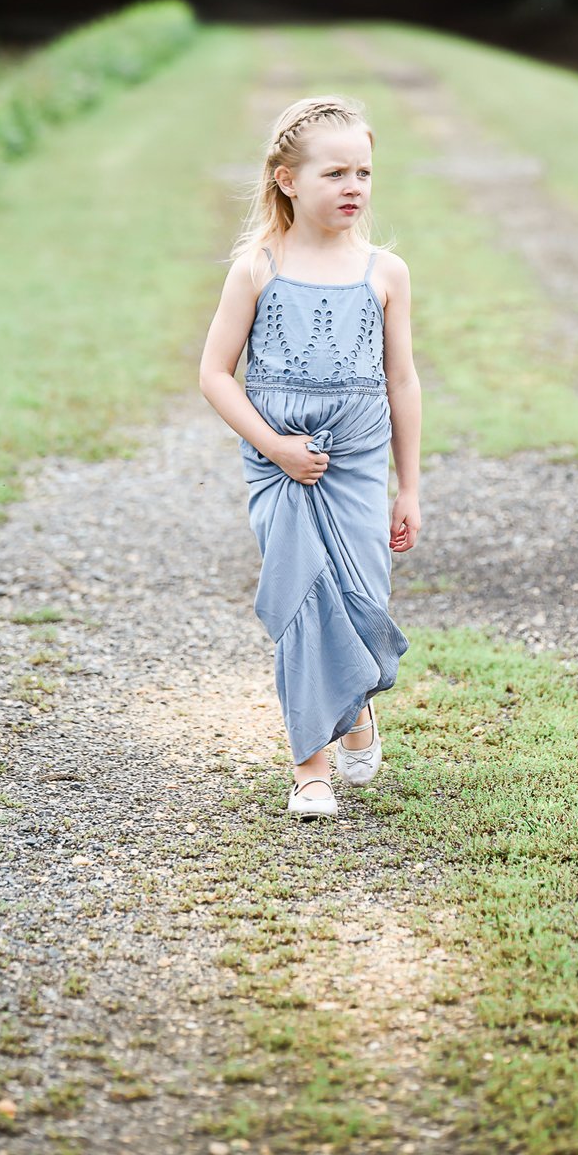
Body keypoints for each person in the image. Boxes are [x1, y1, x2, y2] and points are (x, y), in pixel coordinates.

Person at [197, 94, 422, 818]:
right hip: (280, 464)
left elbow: (402, 380)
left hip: (355, 464)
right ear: (289, 179)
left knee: (360, 601)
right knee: (302, 600)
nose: (354, 186)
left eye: (363, 172)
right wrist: (276, 447)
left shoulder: (385, 272)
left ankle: (354, 707)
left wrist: (408, 486)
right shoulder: (257, 267)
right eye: (335, 173)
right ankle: (309, 770)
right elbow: (213, 373)